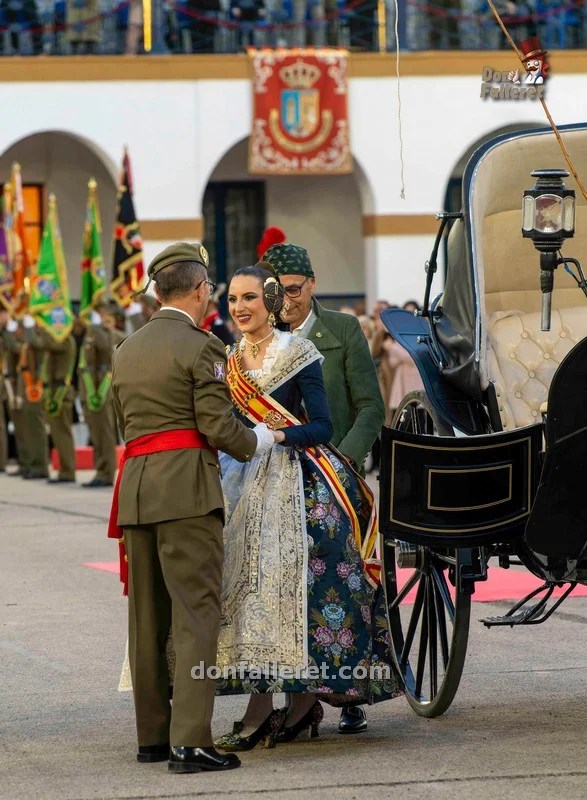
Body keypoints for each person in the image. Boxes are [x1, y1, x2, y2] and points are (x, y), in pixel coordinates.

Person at [214, 264, 399, 752]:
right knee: (249, 595)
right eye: (233, 299)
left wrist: (273, 434)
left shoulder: (299, 353)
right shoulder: (230, 358)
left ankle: (297, 705)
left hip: (299, 481)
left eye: (250, 297)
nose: (240, 308)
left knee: (301, 595)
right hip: (243, 483)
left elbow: (320, 425)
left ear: (271, 301)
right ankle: (265, 704)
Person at [109, 242, 275, 773]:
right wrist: (261, 441)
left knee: (147, 617)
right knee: (197, 614)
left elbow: (124, 427)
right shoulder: (200, 346)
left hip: (137, 490)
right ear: (202, 290)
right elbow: (215, 425)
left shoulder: (125, 349)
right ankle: (191, 742)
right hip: (186, 493)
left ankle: (153, 738)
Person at [261, 242, 386, 735]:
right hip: (275, 478)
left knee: (343, 583)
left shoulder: (341, 329)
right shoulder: (259, 337)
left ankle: (349, 693)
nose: (285, 301)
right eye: (276, 292)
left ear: (311, 284)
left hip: (334, 472)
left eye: (292, 290)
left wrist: (343, 460)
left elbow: (370, 406)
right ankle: (290, 697)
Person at [78, 303, 126, 488]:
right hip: (90, 389)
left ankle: (105, 472)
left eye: (105, 317)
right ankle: (100, 469)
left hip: (103, 391)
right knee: (96, 432)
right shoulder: (93, 332)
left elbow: (106, 347)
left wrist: (100, 328)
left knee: (104, 433)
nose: (101, 319)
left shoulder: (116, 336)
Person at [30, 325, 77, 484]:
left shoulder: (64, 340)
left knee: (62, 432)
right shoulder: (57, 340)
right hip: (53, 389)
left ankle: (68, 471)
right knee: (57, 433)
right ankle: (64, 470)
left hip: (60, 390)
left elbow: (43, 344)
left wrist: (36, 328)